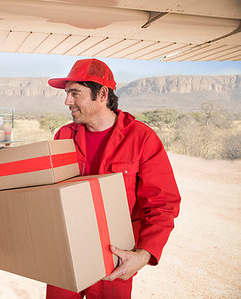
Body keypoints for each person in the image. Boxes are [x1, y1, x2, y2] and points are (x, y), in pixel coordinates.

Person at [46, 59, 181, 298]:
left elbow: (163, 203)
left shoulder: (142, 139)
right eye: (67, 94)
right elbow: (48, 189)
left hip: (114, 258)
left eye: (75, 93)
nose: (67, 101)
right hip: (67, 252)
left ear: (102, 94)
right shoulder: (64, 135)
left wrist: (143, 255)